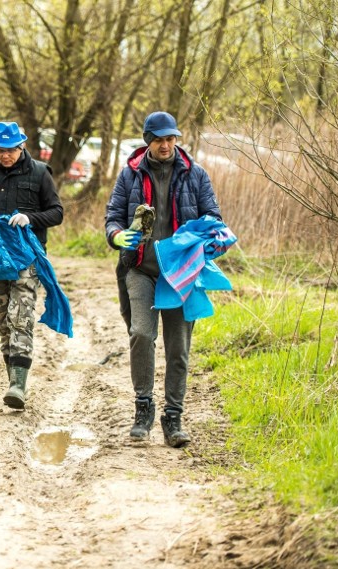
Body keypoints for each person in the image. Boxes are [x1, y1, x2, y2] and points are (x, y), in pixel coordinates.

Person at [105, 111, 223, 447]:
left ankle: (173, 417)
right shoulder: (129, 175)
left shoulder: (195, 175)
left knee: (179, 348)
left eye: (170, 138)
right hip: (140, 268)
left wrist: (211, 235)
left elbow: (213, 215)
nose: (166, 145)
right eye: (159, 139)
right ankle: (143, 407)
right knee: (141, 333)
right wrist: (116, 236)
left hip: (181, 274)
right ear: (148, 141)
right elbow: (112, 217)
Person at [0, 122, 64, 410]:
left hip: (26, 258)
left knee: (21, 316)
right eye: (1, 150)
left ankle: (19, 384)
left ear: (22, 147)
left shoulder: (40, 173)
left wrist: (31, 218)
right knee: (3, 320)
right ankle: (12, 378)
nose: (6, 156)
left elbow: (57, 212)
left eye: (11, 150)